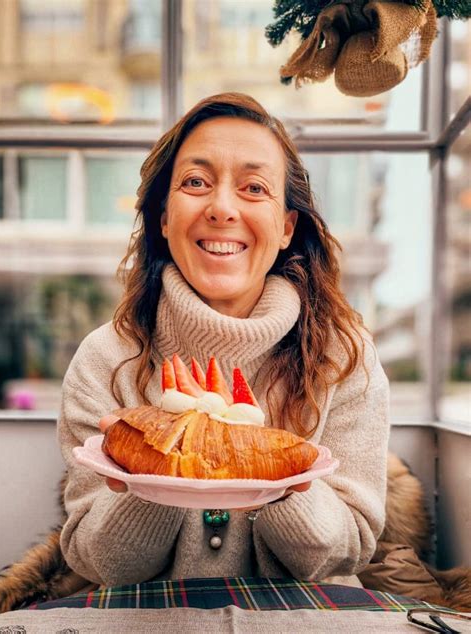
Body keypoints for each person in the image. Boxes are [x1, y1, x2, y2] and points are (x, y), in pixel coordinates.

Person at [58, 92, 389, 587]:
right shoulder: (105, 359)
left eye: (255, 188)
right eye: (195, 182)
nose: (222, 208)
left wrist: (276, 476)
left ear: (285, 227)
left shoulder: (344, 358)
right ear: (164, 217)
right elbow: (102, 563)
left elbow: (347, 553)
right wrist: (152, 471)